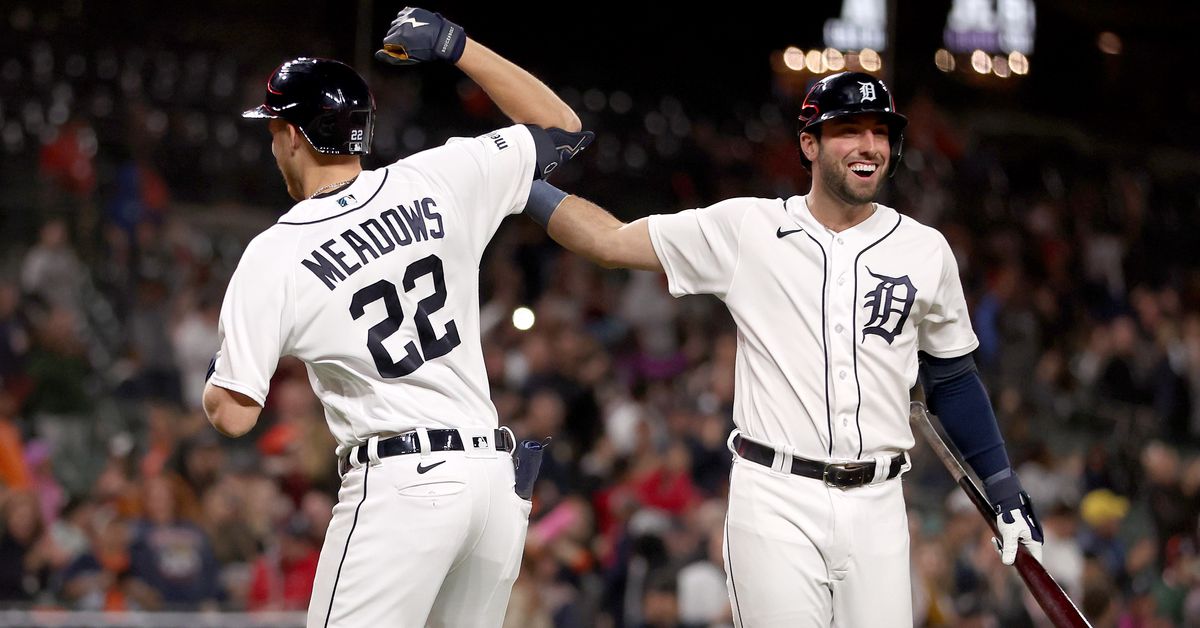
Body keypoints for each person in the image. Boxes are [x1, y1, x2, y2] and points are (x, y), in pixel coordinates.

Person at [526, 71, 1043, 626]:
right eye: (849, 130)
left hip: (880, 504)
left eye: (881, 132)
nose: (869, 145)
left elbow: (952, 379)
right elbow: (608, 241)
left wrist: (1003, 486)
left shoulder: (926, 249)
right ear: (809, 143)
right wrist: (514, 183)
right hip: (776, 498)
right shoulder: (749, 226)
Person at [202, 7, 591, 627]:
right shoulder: (437, 177)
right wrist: (455, 45)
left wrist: (221, 367)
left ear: (294, 136)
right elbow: (562, 127)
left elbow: (233, 414)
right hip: (493, 482)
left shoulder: (277, 252)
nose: (274, 143)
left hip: (404, 485)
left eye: (274, 129)